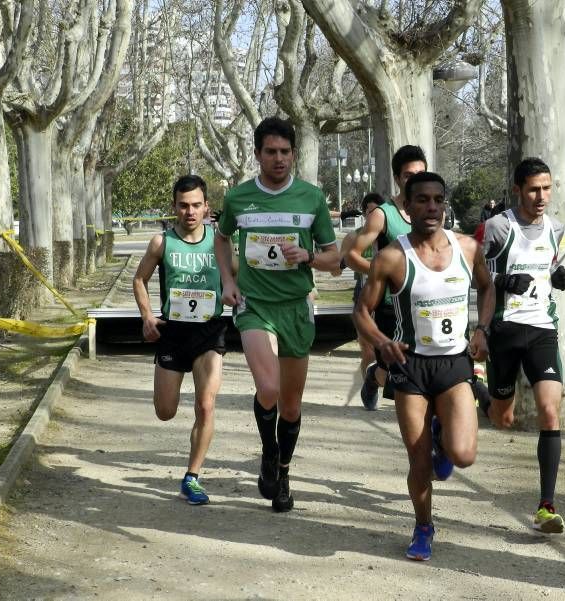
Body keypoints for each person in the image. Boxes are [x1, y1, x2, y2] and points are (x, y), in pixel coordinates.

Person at [353, 171, 494, 561]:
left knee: (462, 455)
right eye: (422, 200)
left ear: (444, 204)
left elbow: (486, 287)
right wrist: (381, 342)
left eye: (438, 199)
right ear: (408, 206)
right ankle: (423, 526)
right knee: (418, 461)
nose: (431, 207)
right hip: (410, 367)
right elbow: (362, 312)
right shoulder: (392, 257)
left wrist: (482, 327)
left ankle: (443, 438)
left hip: (453, 365)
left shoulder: (467, 248)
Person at [214, 117, 339, 512]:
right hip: (255, 306)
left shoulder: (311, 198)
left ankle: (283, 472)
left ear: (294, 154)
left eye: (285, 152)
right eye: (271, 152)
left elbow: (335, 258)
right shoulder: (237, 198)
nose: (279, 159)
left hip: (297, 308)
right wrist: (227, 283)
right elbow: (220, 238)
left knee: (290, 405)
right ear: (257, 154)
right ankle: (269, 452)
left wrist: (310, 257)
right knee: (268, 389)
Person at [483, 157, 565, 534]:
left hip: (541, 330)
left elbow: (557, 268)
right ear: (518, 189)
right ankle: (475, 388)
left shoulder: (561, 229)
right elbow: (476, 274)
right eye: (534, 189)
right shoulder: (498, 227)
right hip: (505, 331)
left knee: (549, 412)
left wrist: (562, 277)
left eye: (547, 188)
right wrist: (502, 280)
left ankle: (546, 506)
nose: (541, 197)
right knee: (502, 418)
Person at [132, 175, 228, 505]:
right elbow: (139, 279)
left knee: (206, 404)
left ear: (206, 207)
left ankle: (192, 478)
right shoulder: (162, 242)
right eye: (183, 205)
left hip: (209, 331)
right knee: (165, 411)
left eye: (196, 205)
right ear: (174, 207)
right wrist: (147, 316)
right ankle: (173, 390)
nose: (190, 211)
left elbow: (239, 276)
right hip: (173, 332)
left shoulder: (220, 241)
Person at [345, 145, 427, 410]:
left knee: (423, 365)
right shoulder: (382, 215)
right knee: (392, 367)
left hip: (426, 304)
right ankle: (374, 377)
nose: (415, 180)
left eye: (420, 174)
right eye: (408, 175)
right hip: (391, 306)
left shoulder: (435, 210)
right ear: (397, 178)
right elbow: (352, 256)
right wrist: (384, 274)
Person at [339, 192, 384, 377]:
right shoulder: (353, 238)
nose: (373, 217)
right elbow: (336, 268)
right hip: (362, 293)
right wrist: (342, 262)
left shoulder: (390, 237)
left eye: (378, 212)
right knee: (367, 350)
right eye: (370, 212)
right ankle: (369, 386)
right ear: (364, 214)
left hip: (387, 295)